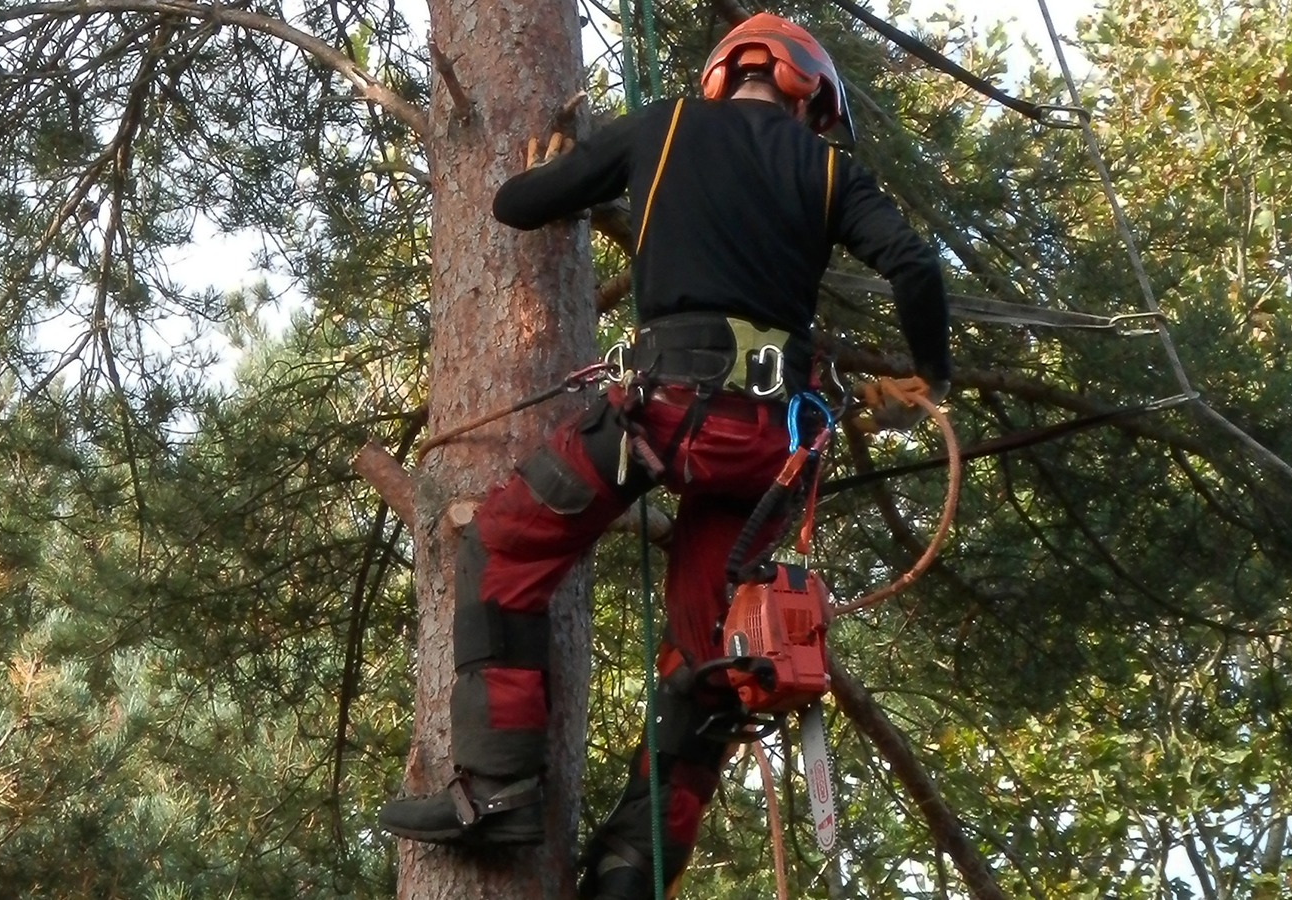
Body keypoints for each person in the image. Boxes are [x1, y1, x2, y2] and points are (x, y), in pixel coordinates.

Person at [379, 12, 953, 898]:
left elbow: (516, 206)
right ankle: (629, 869)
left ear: (730, 73)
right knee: (706, 658)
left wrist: (556, 178)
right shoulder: (830, 167)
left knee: (502, 548)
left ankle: (497, 790)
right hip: (767, 451)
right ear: (809, 96)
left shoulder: (665, 125)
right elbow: (916, 268)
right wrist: (929, 378)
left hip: (667, 417)